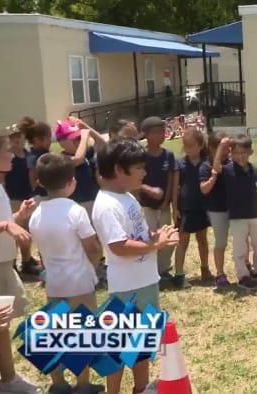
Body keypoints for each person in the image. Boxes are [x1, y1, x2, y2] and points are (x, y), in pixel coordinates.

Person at [91, 138, 178, 394]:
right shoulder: (106, 205)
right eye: (139, 167)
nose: (144, 172)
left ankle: (141, 388)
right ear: (119, 169)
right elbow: (118, 246)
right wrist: (155, 246)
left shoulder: (126, 196)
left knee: (142, 343)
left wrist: (153, 236)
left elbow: (135, 234)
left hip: (145, 280)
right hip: (128, 288)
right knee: (118, 347)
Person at [28, 153, 105, 394]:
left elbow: (40, 251)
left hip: (54, 283)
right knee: (82, 334)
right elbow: (92, 246)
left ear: (40, 182)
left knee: (56, 334)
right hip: (79, 283)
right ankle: (83, 384)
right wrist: (93, 266)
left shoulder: (37, 214)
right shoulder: (75, 211)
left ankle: (58, 384)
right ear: (72, 181)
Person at [0, 127, 41, 393]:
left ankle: (8, 380)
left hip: (0, 266)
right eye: (7, 151)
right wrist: (6, 225)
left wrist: (17, 217)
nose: (13, 156)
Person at [212, 135, 257, 290]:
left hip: (253, 215)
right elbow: (216, 167)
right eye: (236, 153)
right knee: (240, 248)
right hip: (237, 218)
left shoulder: (252, 168)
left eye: (243, 152)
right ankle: (243, 276)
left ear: (250, 152)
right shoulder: (228, 169)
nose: (240, 156)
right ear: (231, 154)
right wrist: (221, 147)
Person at [171, 127, 211, 289]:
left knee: (202, 238)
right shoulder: (180, 164)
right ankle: (179, 275)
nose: (189, 150)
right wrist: (175, 208)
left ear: (201, 146)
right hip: (185, 207)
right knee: (183, 241)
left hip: (202, 207)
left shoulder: (206, 163)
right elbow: (175, 188)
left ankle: (205, 269)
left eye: (192, 146)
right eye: (186, 146)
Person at [138, 117, 177, 279]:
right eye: (156, 132)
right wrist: (148, 191)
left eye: (163, 131)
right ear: (146, 134)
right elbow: (136, 180)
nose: (161, 135)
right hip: (146, 205)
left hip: (163, 206)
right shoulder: (140, 155)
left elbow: (170, 180)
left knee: (167, 238)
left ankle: (163, 269)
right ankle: (149, 270)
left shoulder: (168, 155)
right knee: (149, 238)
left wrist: (166, 201)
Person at [2, 124, 41, 275]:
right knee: (13, 234)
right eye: (12, 137)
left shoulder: (28, 154)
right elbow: (2, 179)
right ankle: (12, 264)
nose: (17, 139)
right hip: (13, 199)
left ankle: (26, 261)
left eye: (19, 136)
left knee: (27, 232)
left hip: (27, 197)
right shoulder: (8, 157)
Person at [199, 131, 229, 284]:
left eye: (227, 147)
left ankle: (247, 268)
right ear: (211, 148)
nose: (226, 151)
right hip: (217, 210)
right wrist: (213, 177)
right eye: (222, 148)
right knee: (221, 242)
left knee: (244, 240)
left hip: (234, 208)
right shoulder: (205, 166)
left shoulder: (231, 162)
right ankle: (220, 273)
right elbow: (204, 189)